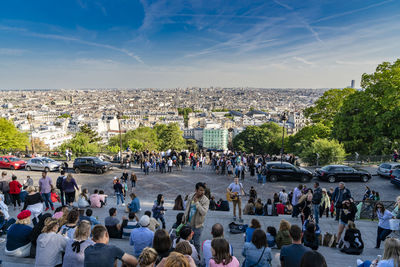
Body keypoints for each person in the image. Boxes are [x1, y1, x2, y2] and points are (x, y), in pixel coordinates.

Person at [182, 182, 210, 253]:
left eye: (203, 190)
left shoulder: (205, 200)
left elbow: (204, 212)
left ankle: (197, 256)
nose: (202, 192)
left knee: (197, 243)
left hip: (198, 226)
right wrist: (184, 218)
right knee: (188, 242)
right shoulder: (191, 196)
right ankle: (189, 254)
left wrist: (197, 203)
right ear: (196, 190)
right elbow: (187, 208)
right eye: (200, 190)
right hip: (188, 223)